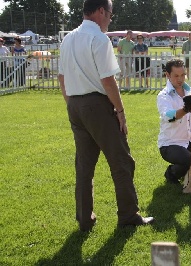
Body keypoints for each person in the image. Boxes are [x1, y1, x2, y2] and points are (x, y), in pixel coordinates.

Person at [58, 0, 154, 232]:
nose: (111, 18)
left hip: (75, 104)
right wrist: (120, 111)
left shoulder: (68, 38)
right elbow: (108, 80)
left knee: (84, 164)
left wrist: (73, 104)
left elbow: (61, 77)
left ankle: (84, 218)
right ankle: (128, 215)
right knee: (121, 161)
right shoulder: (99, 39)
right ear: (101, 11)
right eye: (110, 14)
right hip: (97, 105)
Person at [157, 59, 191, 184]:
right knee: (189, 161)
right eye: (176, 76)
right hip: (170, 144)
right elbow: (169, 115)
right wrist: (187, 108)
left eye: (183, 75)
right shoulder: (163, 96)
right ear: (167, 75)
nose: (180, 79)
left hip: (190, 141)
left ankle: (190, 173)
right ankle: (171, 173)